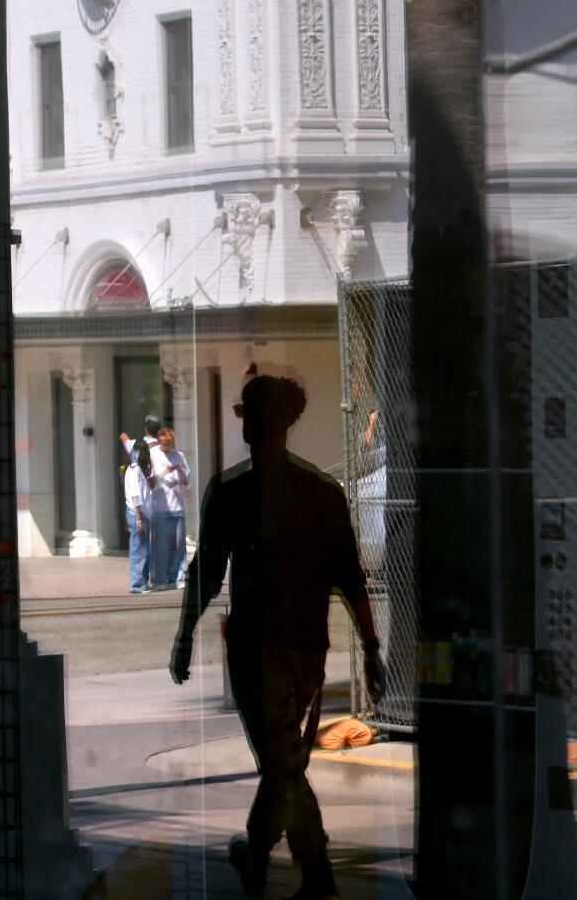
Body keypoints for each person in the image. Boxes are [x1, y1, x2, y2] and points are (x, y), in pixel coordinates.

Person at [170, 374, 385, 899]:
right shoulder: (322, 491)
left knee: (282, 763)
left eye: (247, 413)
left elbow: (206, 573)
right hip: (308, 647)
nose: (245, 424)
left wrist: (183, 636)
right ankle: (308, 871)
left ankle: (268, 856)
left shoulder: (231, 491)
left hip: (256, 647)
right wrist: (372, 649)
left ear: (257, 421)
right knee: (285, 760)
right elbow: (350, 576)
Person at [150, 425, 191, 590]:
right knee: (160, 545)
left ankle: (177, 578)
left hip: (177, 506)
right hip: (159, 507)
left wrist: (179, 469)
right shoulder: (153, 455)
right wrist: (166, 470)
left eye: (169, 443)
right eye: (164, 443)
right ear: (160, 440)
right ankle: (160, 579)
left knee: (179, 545)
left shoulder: (178, 455)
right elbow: (151, 480)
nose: (167, 447)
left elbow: (186, 481)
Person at [119, 431, 152, 593]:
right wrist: (139, 519)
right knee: (138, 549)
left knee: (144, 549)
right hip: (136, 514)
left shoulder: (137, 469)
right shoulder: (134, 471)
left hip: (142, 514)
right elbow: (135, 496)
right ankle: (137, 584)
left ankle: (143, 581)